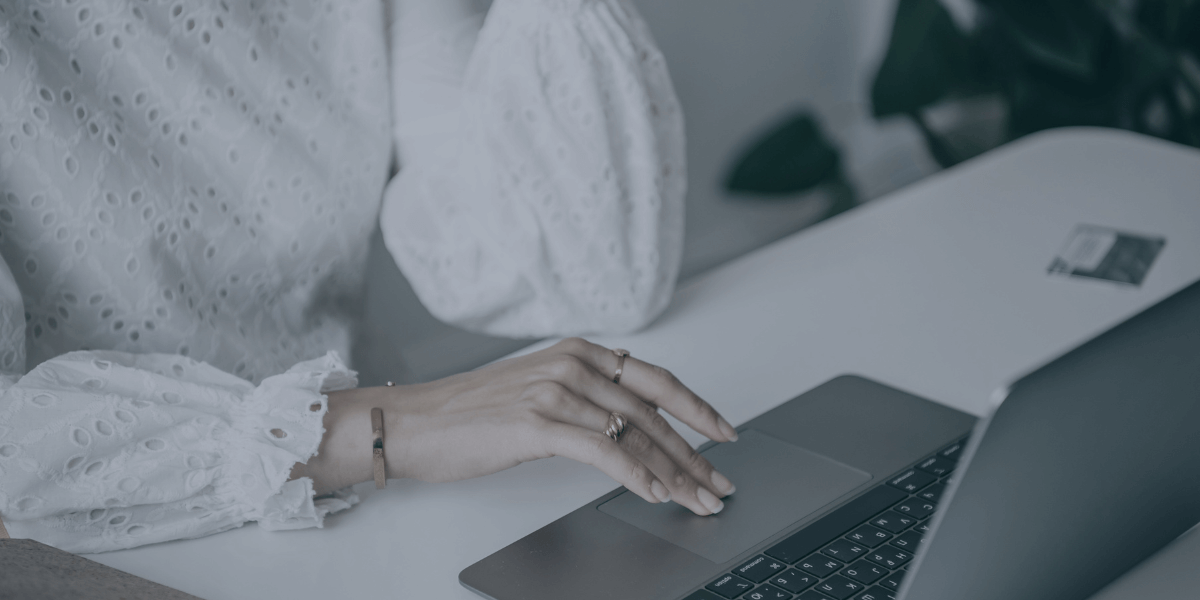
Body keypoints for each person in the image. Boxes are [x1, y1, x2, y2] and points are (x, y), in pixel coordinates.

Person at [0, 0, 738, 553]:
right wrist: (395, 425)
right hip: (103, 548)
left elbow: (594, 276)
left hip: (371, 514)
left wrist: (390, 435)